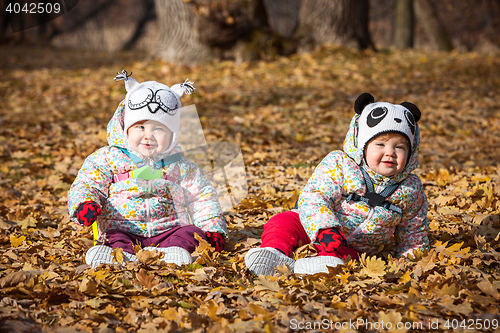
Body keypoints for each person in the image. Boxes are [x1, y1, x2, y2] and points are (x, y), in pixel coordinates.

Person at [245, 93, 429, 275]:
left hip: (354, 247)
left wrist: (410, 259)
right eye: (380, 144)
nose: (390, 153)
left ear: (411, 153)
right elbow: (315, 195)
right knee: (283, 221)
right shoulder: (340, 164)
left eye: (399, 147)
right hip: (314, 226)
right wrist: (325, 228)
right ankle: (273, 252)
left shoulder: (410, 188)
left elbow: (414, 229)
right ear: (362, 145)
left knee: (350, 259)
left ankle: (321, 263)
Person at [68, 71, 227, 268]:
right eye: (140, 127)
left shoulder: (180, 165)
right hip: (123, 227)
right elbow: (87, 183)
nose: (148, 136)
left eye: (158, 129)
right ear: (125, 129)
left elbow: (202, 197)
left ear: (172, 135)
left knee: (190, 232)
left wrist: (212, 229)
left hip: (169, 229)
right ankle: (115, 255)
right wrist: (85, 203)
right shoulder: (108, 158)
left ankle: (173, 252)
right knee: (114, 237)